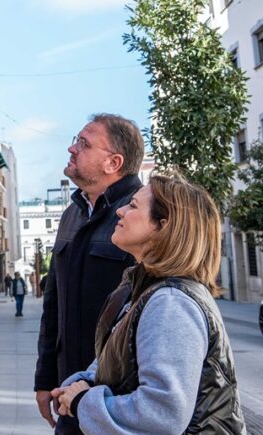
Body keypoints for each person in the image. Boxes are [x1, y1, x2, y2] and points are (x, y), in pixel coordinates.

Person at [52, 174, 245, 433]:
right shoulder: (143, 289)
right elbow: (123, 363)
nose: (119, 211)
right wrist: (83, 382)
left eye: (132, 206)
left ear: (163, 226)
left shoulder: (171, 303)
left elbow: (161, 414)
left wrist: (82, 401)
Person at [35, 114, 144, 433]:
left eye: (83, 143)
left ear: (114, 162)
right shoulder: (72, 214)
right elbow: (53, 305)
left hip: (119, 403)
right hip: (68, 395)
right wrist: (45, 380)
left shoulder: (144, 216)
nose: (71, 149)